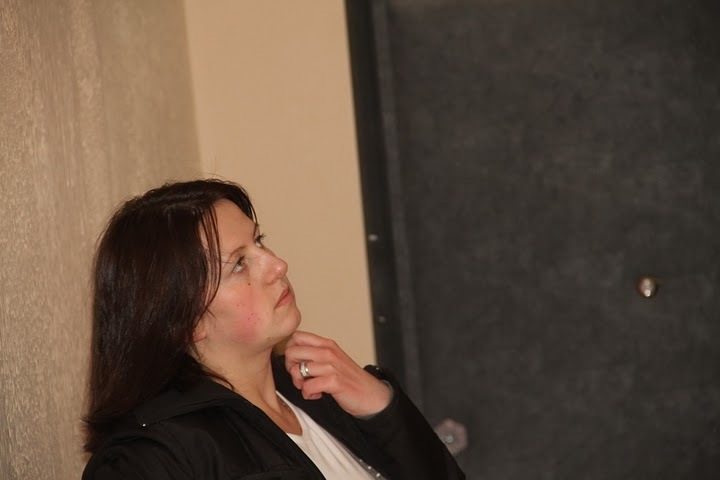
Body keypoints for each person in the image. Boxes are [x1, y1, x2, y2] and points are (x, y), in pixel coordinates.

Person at [82, 179, 465, 479]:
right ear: (183, 322)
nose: (277, 264)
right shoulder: (152, 458)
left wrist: (381, 408)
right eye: (238, 264)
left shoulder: (319, 395)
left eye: (259, 242)